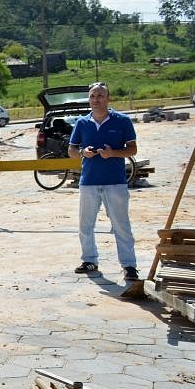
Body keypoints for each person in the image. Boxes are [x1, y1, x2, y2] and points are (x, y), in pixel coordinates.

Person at [68, 82, 139, 280]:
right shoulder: (82, 123)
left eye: (100, 96)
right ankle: (89, 260)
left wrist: (113, 153)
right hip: (88, 181)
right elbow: (71, 150)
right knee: (85, 224)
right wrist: (83, 152)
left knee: (121, 225)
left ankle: (129, 266)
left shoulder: (122, 121)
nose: (96, 100)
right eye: (92, 96)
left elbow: (132, 149)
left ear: (108, 98)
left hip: (115, 182)